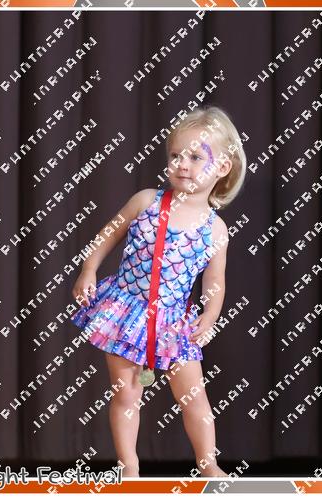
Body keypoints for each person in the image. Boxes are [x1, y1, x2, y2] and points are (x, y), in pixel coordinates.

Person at [70, 105, 246, 478]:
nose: (182, 164)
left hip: (173, 323)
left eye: (195, 157)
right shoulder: (146, 201)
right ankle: (129, 467)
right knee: (126, 393)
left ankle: (208, 465)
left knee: (194, 398)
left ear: (222, 167)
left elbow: (215, 280)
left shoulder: (215, 231)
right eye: (175, 155)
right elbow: (108, 235)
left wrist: (211, 314)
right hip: (125, 312)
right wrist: (89, 269)